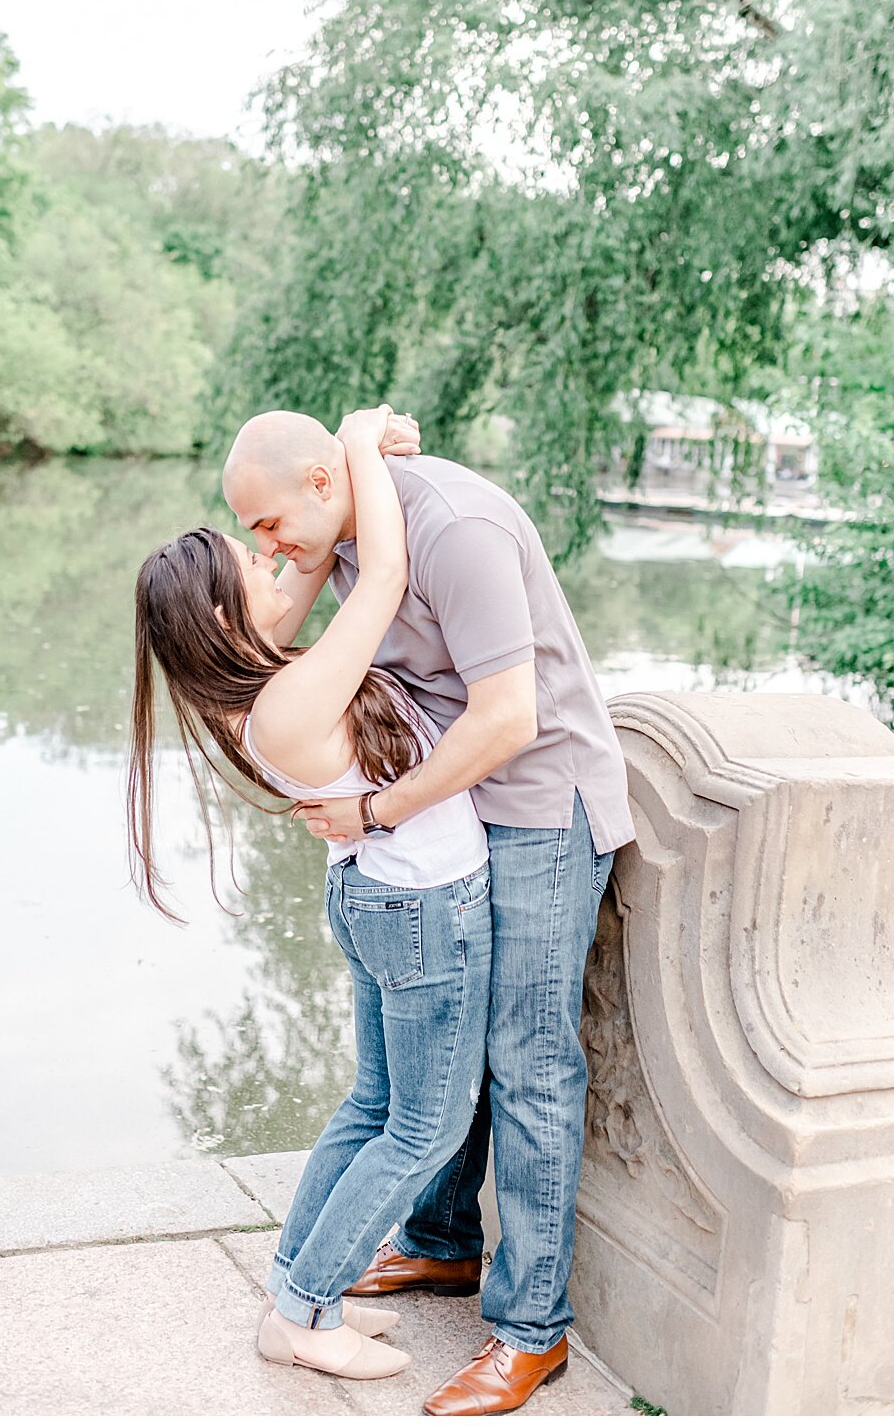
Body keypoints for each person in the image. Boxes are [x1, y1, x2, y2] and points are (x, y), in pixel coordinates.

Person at [222, 409, 636, 1418]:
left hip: (537, 805)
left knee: (525, 1058)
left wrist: (372, 809)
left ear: (322, 480)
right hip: (451, 812)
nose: (268, 550)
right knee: (443, 1048)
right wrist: (322, 523)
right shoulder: (354, 532)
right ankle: (441, 1245)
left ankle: (532, 1332)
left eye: (271, 524)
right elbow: (259, 634)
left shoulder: (455, 527)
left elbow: (508, 717)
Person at [128, 407, 492, 1386]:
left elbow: (312, 566)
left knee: (373, 1100)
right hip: (419, 903)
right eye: (245, 560)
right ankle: (299, 1311)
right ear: (219, 615)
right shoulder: (283, 698)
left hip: (378, 895)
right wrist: (360, 446)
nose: (268, 562)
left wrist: (324, 481)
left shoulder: (245, 678)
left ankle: (301, 1285)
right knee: (425, 1123)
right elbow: (381, 575)